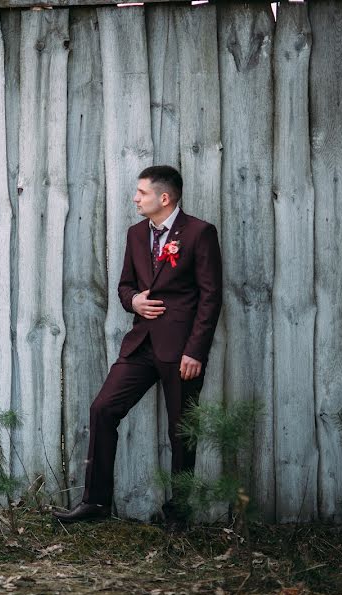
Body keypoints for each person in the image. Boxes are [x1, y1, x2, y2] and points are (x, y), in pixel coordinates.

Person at [54, 165, 223, 525]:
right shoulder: (135, 234)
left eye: (141, 192)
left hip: (182, 351)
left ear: (164, 197)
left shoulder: (198, 233)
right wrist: (133, 302)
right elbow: (125, 285)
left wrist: (196, 350)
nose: (135, 198)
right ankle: (95, 504)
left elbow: (211, 297)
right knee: (103, 409)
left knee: (181, 431)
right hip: (141, 344)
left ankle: (180, 513)